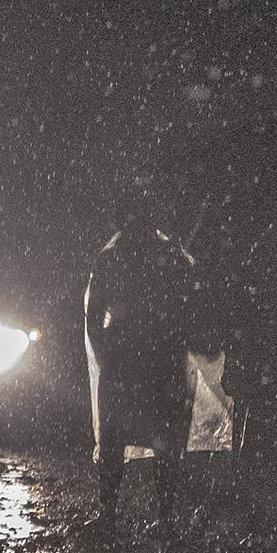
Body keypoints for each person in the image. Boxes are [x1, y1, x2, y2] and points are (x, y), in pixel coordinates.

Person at [84, 211, 199, 527]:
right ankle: (164, 519)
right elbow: (192, 311)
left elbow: (94, 316)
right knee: (164, 439)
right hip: (164, 355)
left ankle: (110, 514)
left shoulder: (112, 259)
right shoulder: (175, 258)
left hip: (125, 355)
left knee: (116, 437)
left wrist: (106, 352)